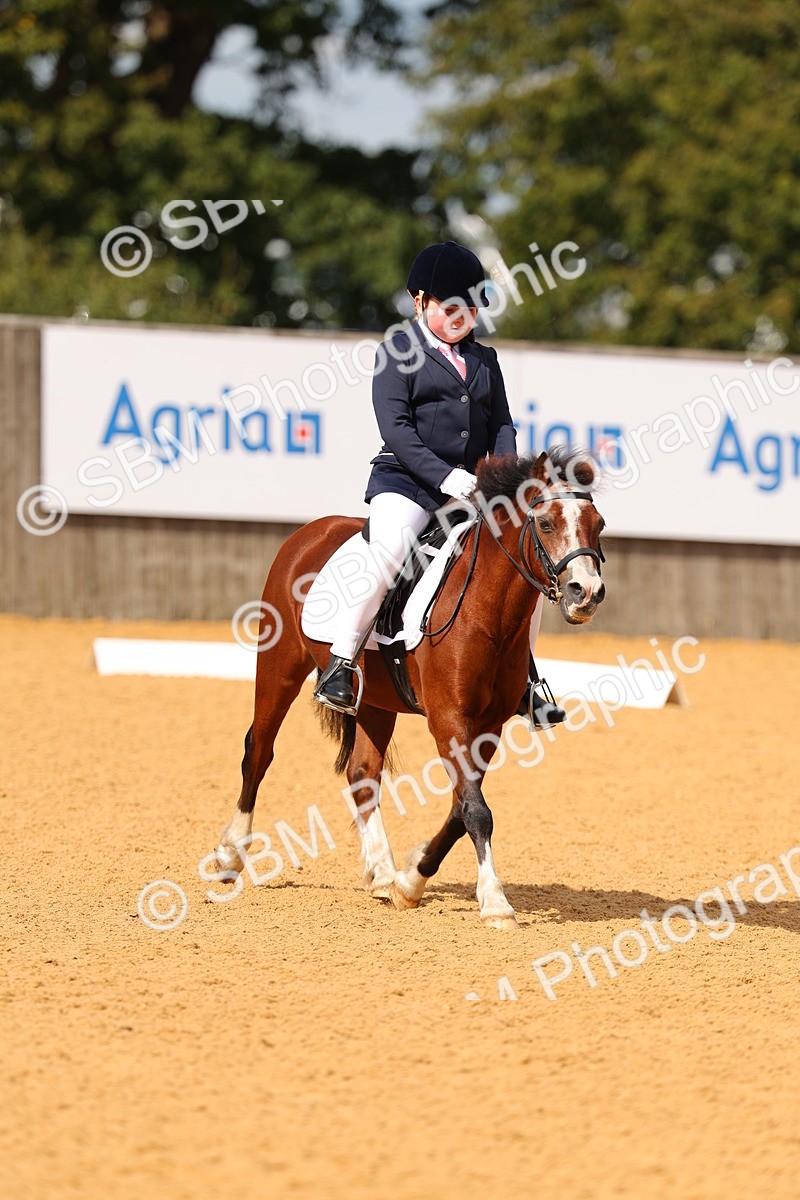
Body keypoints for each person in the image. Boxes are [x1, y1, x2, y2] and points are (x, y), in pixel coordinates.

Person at [313, 240, 565, 728]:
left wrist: (500, 476)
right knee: (390, 550)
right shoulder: (397, 352)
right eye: (450, 308)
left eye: (471, 309)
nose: (461, 318)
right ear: (420, 301)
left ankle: (527, 679)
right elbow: (397, 431)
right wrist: (446, 476)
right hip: (408, 482)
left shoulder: (485, 360)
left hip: (473, 489)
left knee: (524, 566)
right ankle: (341, 664)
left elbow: (502, 424)